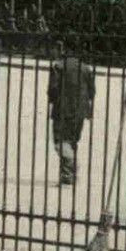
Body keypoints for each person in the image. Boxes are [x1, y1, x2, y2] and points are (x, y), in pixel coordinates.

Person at [46, 55, 95, 186]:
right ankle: (68, 177)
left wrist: (53, 100)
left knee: (59, 141)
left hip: (62, 109)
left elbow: (53, 89)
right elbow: (92, 92)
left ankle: (71, 167)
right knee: (71, 141)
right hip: (80, 111)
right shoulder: (86, 68)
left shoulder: (58, 66)